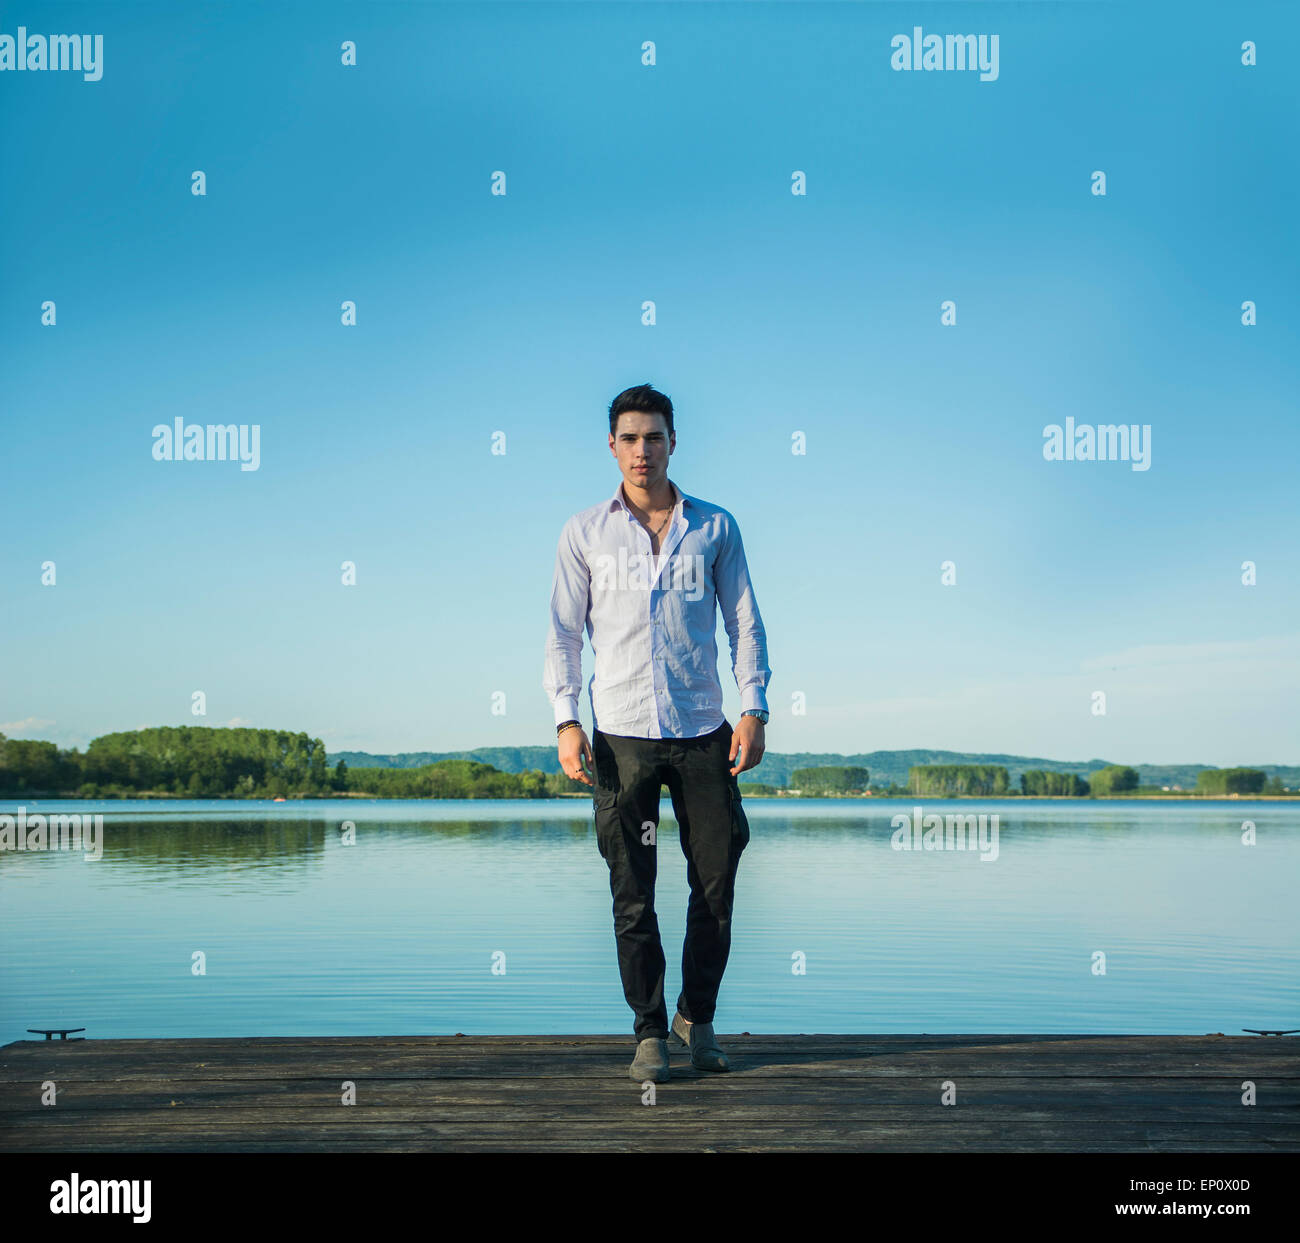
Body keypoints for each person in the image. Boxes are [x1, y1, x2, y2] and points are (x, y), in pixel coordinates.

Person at [543, 383, 772, 1083]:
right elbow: (562, 633)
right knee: (631, 889)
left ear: (675, 441)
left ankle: (695, 1019)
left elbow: (744, 622)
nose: (644, 450)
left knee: (717, 881)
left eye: (655, 436)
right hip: (619, 736)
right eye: (631, 437)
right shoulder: (584, 531)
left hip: (705, 731)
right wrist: (566, 718)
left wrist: (754, 707)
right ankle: (648, 1032)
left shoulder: (716, 527)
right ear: (612, 446)